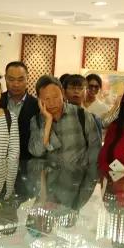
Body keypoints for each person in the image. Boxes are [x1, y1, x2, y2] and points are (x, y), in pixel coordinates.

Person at [28, 75, 101, 207]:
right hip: (48, 190)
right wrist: (48, 122)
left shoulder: (82, 116)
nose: (52, 103)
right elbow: (37, 152)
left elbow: (95, 154)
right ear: (39, 100)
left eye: (56, 97)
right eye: (46, 99)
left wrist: (86, 189)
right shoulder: (37, 121)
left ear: (62, 93)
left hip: (74, 189)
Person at [0, 61, 39, 171]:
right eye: (11, 79)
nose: (16, 84)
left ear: (27, 79)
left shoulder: (37, 106)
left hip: (26, 166)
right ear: (5, 78)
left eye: (20, 80)